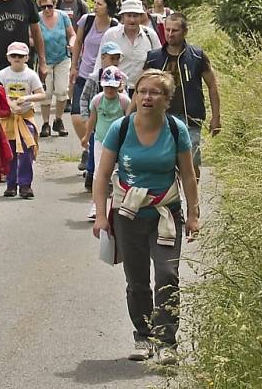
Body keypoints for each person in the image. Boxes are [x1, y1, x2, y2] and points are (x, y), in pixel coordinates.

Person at [92, 69, 200, 364]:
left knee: (168, 275)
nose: (147, 97)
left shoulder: (176, 130)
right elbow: (102, 176)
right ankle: (143, 336)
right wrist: (101, 216)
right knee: (137, 280)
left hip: (166, 213)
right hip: (128, 215)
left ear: (166, 99)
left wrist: (193, 215)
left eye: (155, 92)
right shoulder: (120, 128)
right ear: (135, 95)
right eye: (142, 91)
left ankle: (167, 343)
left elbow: (189, 177)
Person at [144, 12, 221, 183]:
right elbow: (142, 89)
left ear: (185, 32)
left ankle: (192, 202)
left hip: (190, 118)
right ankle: (171, 201)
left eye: (175, 30)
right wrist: (132, 116)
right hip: (161, 118)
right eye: (167, 30)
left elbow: (212, 85)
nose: (170, 34)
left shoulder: (197, 56)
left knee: (191, 161)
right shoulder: (154, 57)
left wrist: (216, 117)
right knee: (163, 160)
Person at [69, 0, 119, 170]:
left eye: (100, 4)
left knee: (97, 115)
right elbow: (78, 43)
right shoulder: (86, 20)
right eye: (95, 3)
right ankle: (88, 146)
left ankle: (94, 154)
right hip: (84, 73)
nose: (95, 7)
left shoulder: (114, 26)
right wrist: (73, 66)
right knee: (76, 115)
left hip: (103, 78)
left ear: (108, 8)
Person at [82, 65, 131, 220]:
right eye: (107, 86)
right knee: (98, 173)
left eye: (113, 87)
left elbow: (129, 121)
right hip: (101, 141)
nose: (110, 90)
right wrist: (86, 136)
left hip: (119, 143)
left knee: (120, 173)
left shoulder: (124, 101)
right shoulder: (97, 100)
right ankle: (97, 205)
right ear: (103, 85)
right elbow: (92, 119)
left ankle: (123, 204)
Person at [0, 42, 45, 199]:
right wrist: (10, 104)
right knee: (9, 152)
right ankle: (10, 185)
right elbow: (0, 93)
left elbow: (41, 94)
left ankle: (25, 185)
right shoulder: (3, 74)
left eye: (20, 56)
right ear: (8, 57)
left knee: (26, 151)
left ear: (26, 57)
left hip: (25, 117)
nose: (17, 58)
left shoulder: (31, 75)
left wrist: (26, 98)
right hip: (8, 118)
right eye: (13, 55)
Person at [79, 41, 124, 191]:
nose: (115, 62)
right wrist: (86, 122)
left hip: (116, 128)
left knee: (117, 161)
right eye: (112, 58)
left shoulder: (122, 81)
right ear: (103, 57)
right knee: (95, 156)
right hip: (98, 125)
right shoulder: (94, 80)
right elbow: (84, 98)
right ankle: (92, 180)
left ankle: (114, 186)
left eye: (117, 58)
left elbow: (128, 109)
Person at [97, 0, 161, 96]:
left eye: (135, 16)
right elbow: (100, 62)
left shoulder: (150, 35)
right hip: (116, 90)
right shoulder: (111, 35)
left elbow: (159, 63)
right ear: (122, 17)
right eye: (128, 16)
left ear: (141, 17)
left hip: (142, 92)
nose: (132, 20)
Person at [35, 0, 74, 137]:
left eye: (49, 6)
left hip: (62, 58)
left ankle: (58, 120)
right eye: (43, 6)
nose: (46, 9)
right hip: (45, 59)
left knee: (62, 90)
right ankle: (45, 124)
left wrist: (71, 44)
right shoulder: (36, 18)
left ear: (54, 5)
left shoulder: (63, 17)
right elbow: (30, 37)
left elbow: (72, 34)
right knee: (46, 93)